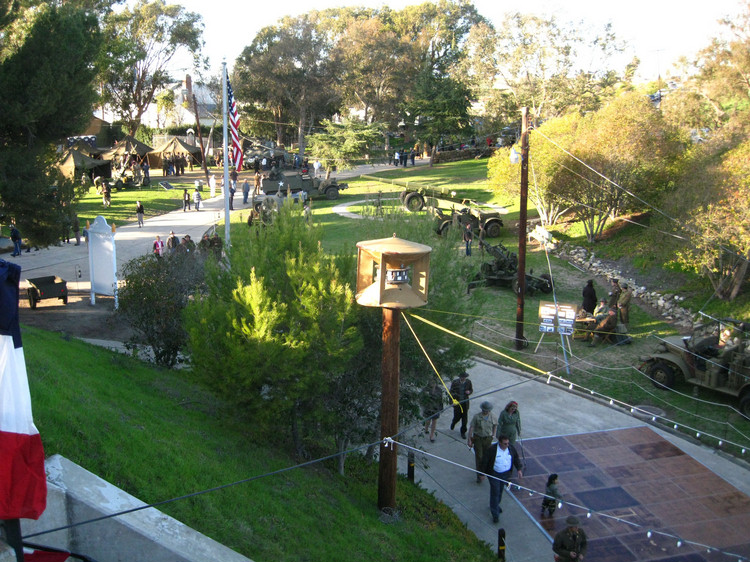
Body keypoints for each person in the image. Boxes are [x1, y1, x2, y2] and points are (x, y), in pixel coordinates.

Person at [480, 434, 523, 523]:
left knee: (500, 491)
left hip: (505, 474)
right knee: (495, 492)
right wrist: (482, 473)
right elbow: (485, 461)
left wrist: (519, 469)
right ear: (499, 442)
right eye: (505, 444)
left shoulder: (510, 448)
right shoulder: (492, 449)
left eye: (508, 443)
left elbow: (515, 458)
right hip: (495, 474)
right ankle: (495, 514)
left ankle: (495, 505)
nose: (507, 445)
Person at [468, 401, 497, 483]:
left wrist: (493, 435)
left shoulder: (492, 416)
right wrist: (469, 439)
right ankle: (479, 475)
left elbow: (495, 425)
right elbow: (472, 428)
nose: (485, 412)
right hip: (478, 439)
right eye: (484, 410)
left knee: (487, 457)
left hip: (488, 439)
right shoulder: (477, 417)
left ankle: (485, 472)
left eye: (487, 410)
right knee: (479, 457)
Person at [449, 372, 473, 439]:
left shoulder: (468, 382)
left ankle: (463, 432)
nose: (463, 378)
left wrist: (469, 392)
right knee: (457, 416)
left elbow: (471, 390)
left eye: (464, 377)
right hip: (457, 403)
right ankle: (454, 422)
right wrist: (452, 402)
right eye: (462, 377)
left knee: (464, 419)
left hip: (465, 403)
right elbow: (451, 392)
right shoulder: (455, 382)